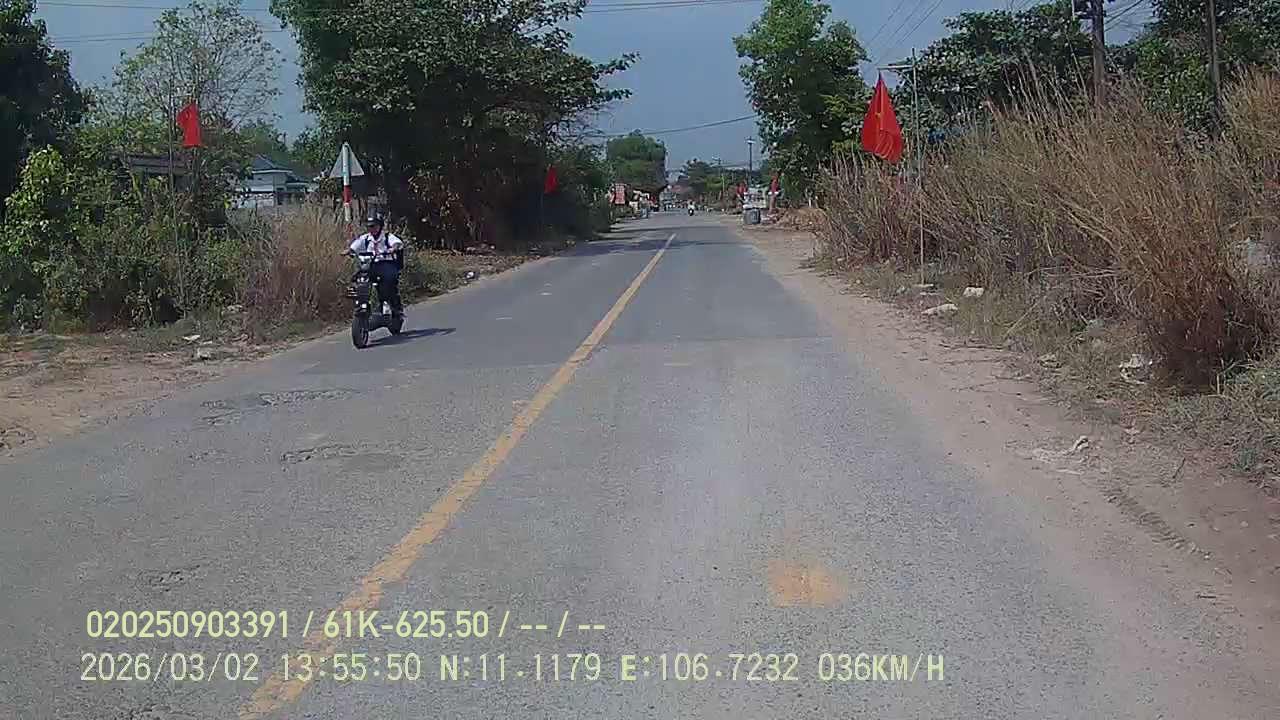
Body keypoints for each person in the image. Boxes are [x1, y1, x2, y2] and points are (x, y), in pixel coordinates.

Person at [347, 213, 404, 317]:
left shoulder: (387, 237)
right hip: (371, 265)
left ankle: (393, 305)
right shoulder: (365, 238)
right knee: (359, 279)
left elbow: (397, 243)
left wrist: (392, 249)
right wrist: (349, 251)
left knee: (388, 280)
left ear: (380, 226)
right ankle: (362, 303)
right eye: (369, 226)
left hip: (386, 264)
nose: (371, 229)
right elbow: (355, 246)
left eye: (374, 226)